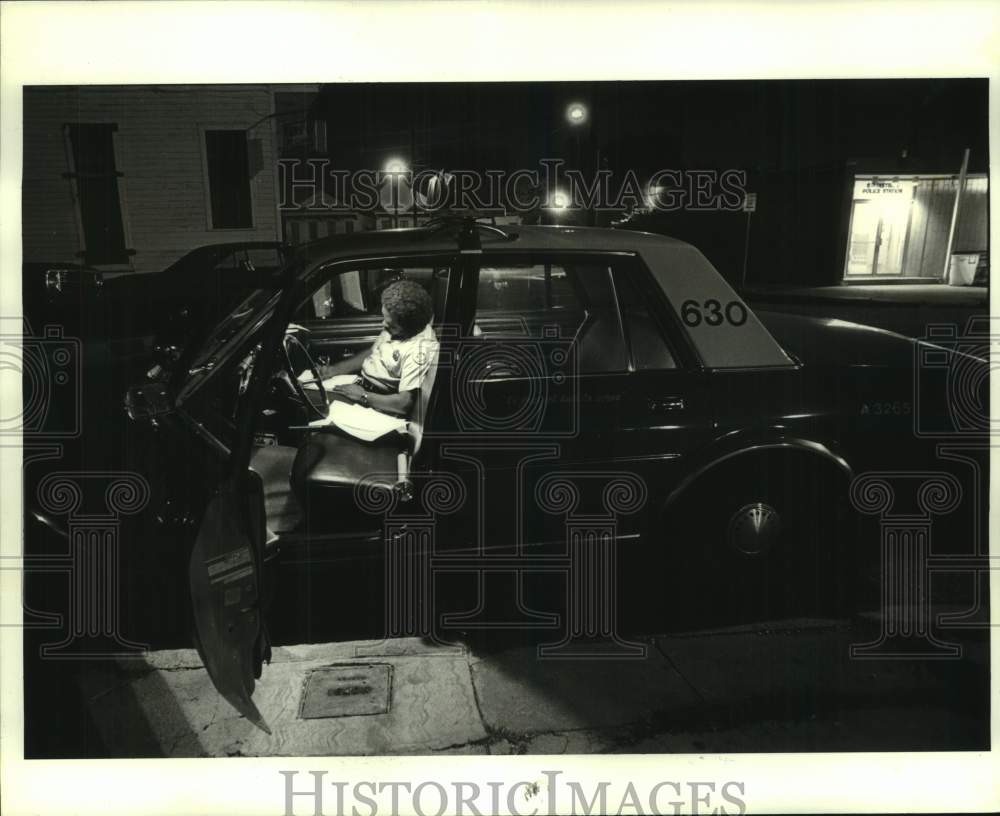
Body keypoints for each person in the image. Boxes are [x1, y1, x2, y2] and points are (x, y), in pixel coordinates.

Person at [300, 279, 438, 417]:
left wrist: (363, 396)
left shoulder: (421, 349)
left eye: (391, 324)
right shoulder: (398, 327)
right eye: (384, 317)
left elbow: (403, 404)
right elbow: (373, 353)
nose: (383, 324)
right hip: (359, 385)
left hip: (376, 403)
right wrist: (333, 370)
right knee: (299, 392)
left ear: (408, 327)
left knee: (303, 404)